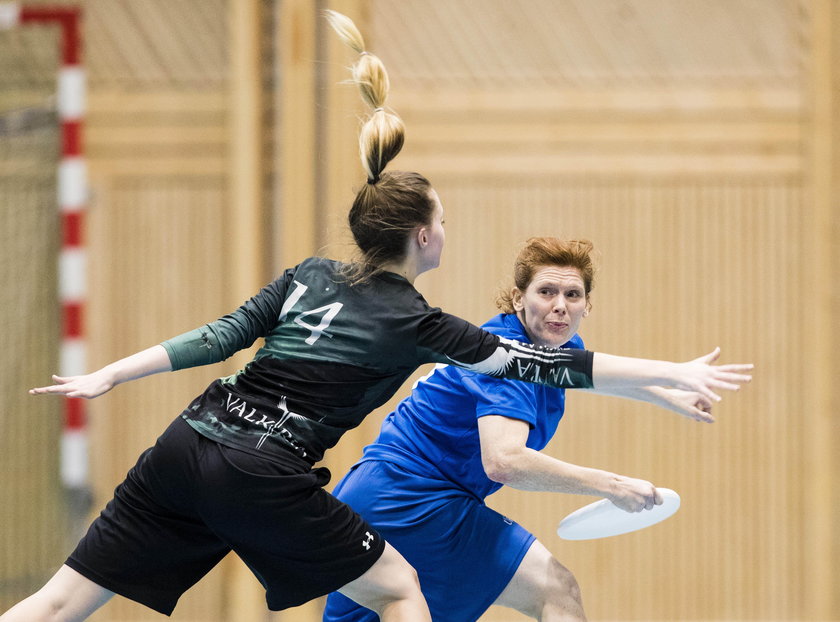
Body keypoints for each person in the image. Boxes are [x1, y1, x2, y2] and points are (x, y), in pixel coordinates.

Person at [0, 12, 752, 622]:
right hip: (264, 469)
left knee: (61, 601)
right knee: (399, 593)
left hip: (188, 439)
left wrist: (110, 373)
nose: (449, 232)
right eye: (445, 221)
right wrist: (669, 370)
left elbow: (218, 337)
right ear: (423, 236)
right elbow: (546, 372)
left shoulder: (309, 276)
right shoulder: (419, 323)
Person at [322, 237, 749, 622]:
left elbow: (594, 376)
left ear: (587, 305)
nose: (559, 304)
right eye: (546, 292)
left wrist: (666, 395)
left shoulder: (558, 349)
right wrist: (611, 485)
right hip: (410, 497)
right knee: (555, 589)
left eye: (572, 294)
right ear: (518, 298)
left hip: (381, 497)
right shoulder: (504, 354)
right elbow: (505, 462)